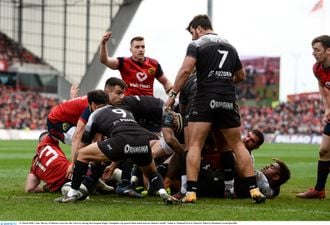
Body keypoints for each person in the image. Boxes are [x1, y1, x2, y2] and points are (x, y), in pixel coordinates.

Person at [165, 14, 265, 203]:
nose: (193, 37)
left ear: (198, 28)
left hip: (204, 98)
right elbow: (241, 75)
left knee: (194, 145)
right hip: (227, 98)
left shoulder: (197, 44)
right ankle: (254, 190)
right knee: (236, 145)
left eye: (192, 33)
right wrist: (223, 82)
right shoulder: (230, 45)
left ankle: (191, 193)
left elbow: (186, 70)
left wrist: (172, 95)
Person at [54, 104, 180, 204]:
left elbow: (84, 142)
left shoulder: (95, 114)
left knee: (82, 154)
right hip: (142, 140)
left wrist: (74, 164)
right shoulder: (127, 113)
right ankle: (163, 193)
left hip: (121, 141)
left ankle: (72, 193)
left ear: (94, 105)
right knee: (151, 172)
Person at [25, 131, 114, 194]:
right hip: (73, 173)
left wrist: (45, 188)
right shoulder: (47, 141)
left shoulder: (34, 165)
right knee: (100, 166)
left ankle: (95, 184)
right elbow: (53, 131)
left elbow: (29, 188)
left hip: (61, 186)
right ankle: (102, 180)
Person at [296, 35, 330, 199]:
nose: (313, 53)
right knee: (324, 150)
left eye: (317, 50)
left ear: (328, 50)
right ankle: (319, 190)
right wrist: (327, 109)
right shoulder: (317, 68)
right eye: (313, 50)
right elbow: (323, 90)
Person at [100, 32, 173, 96]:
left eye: (143, 47)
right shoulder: (123, 62)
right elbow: (104, 60)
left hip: (148, 101)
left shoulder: (154, 64)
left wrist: (173, 95)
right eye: (137, 47)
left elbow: (166, 82)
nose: (141, 50)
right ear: (131, 50)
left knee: (160, 106)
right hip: (130, 101)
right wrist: (103, 44)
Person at [197, 158, 291, 199]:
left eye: (271, 167)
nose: (267, 166)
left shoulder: (259, 178)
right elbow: (275, 190)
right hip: (215, 181)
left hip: (213, 183)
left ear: (276, 177)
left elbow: (243, 169)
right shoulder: (271, 190)